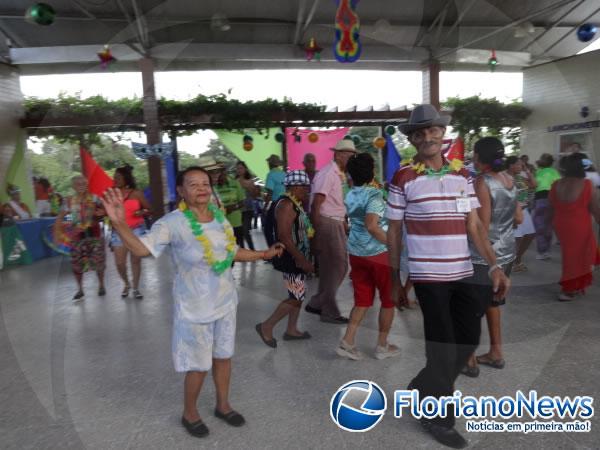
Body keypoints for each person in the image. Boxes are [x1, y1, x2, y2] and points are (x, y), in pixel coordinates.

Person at [101, 166, 283, 439]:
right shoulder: (173, 223)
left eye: (205, 183)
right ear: (181, 191)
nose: (201, 188)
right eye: (193, 184)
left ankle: (223, 405)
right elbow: (141, 249)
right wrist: (119, 223)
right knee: (198, 365)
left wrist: (262, 254)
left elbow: (230, 251)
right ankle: (190, 412)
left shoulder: (220, 218)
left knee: (223, 357)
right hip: (194, 307)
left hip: (225, 302)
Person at [386, 104, 510, 449]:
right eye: (420, 132)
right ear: (412, 139)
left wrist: (495, 265)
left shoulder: (464, 177)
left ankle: (425, 385)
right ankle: (437, 418)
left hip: (464, 272)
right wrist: (396, 278)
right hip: (428, 277)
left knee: (468, 340)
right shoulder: (403, 178)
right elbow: (395, 231)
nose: (428, 136)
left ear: (443, 135)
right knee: (441, 346)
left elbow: (474, 226)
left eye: (433, 130)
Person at [462, 137, 521, 377]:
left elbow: (480, 226)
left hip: (483, 257)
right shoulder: (510, 180)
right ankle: (496, 352)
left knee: (469, 307)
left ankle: (469, 360)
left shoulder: (482, 181)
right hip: (507, 252)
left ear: (478, 157)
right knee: (493, 302)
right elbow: (518, 219)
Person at [336, 153, 400, 361]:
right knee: (389, 301)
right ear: (372, 172)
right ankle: (382, 346)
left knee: (362, 300)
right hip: (378, 254)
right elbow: (372, 225)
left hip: (356, 252)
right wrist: (393, 244)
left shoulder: (349, 192)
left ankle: (348, 341)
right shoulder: (374, 195)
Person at [256, 170, 314, 348]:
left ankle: (291, 329)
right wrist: (301, 259)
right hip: (291, 256)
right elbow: (284, 235)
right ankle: (267, 326)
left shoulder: (294, 202)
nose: (307, 191)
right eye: (305, 187)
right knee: (296, 297)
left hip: (297, 254)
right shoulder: (286, 205)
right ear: (295, 187)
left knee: (297, 294)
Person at [305, 139, 357, 324]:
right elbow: (316, 205)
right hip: (327, 224)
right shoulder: (328, 173)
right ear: (338, 154)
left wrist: (343, 221)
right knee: (340, 265)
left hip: (334, 222)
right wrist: (316, 234)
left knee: (329, 269)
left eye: (353, 155)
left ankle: (318, 303)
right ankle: (324, 306)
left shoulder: (338, 174)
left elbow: (334, 202)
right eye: (349, 155)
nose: (352, 158)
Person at [548, 154, 600, 301]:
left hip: (561, 224)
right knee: (577, 256)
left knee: (572, 255)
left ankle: (575, 286)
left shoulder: (556, 183)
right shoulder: (587, 184)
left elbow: (551, 207)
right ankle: (568, 289)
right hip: (579, 225)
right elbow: (596, 210)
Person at [55, 176, 106, 301]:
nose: (81, 185)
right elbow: (63, 218)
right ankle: (80, 289)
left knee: (98, 262)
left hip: (94, 234)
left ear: (87, 184)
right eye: (78, 184)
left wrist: (100, 214)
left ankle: (101, 285)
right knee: (77, 264)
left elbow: (104, 212)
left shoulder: (94, 198)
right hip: (77, 237)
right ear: (73, 186)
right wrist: (72, 222)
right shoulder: (68, 201)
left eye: (83, 183)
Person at [111, 165, 151, 299]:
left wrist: (141, 212)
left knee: (136, 261)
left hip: (136, 230)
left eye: (118, 177)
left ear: (126, 178)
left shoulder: (136, 193)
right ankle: (126, 283)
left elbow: (149, 209)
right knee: (119, 263)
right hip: (119, 231)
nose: (115, 179)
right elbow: (107, 212)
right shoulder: (112, 194)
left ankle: (135, 287)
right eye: (114, 177)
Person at [506, 156, 537, 272]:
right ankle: (511, 263)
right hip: (512, 211)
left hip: (524, 209)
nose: (521, 167)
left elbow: (534, 185)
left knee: (530, 235)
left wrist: (527, 171)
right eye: (519, 164)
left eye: (522, 165)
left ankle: (517, 259)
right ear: (511, 165)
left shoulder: (521, 177)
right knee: (517, 238)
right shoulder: (504, 177)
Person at [211, 163, 247, 250]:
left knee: (233, 249)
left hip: (235, 222)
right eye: (217, 173)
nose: (220, 175)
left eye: (222, 172)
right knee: (221, 249)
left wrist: (233, 207)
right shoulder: (211, 186)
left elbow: (242, 201)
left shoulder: (234, 183)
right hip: (218, 224)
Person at [533, 153, 561, 260]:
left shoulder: (538, 172)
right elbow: (558, 185)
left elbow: (534, 185)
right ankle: (546, 251)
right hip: (552, 200)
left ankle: (542, 251)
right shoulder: (554, 172)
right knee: (548, 226)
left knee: (540, 226)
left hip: (541, 200)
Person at [235, 161, 259, 250]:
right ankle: (242, 250)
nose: (239, 170)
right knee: (239, 231)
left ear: (245, 169)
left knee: (245, 231)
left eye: (241, 168)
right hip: (237, 210)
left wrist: (250, 187)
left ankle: (252, 251)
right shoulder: (234, 181)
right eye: (237, 168)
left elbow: (255, 196)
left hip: (248, 209)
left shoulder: (250, 181)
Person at [263, 154, 286, 246]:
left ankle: (274, 253)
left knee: (268, 229)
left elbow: (270, 193)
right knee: (281, 229)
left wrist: (265, 207)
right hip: (286, 203)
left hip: (276, 204)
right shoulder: (284, 174)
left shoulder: (271, 174)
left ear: (270, 164)